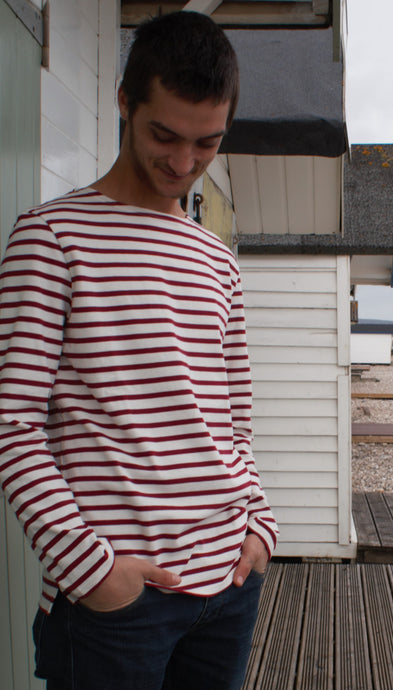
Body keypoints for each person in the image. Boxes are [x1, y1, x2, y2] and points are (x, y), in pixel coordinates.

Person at [0, 11, 278, 690]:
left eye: (207, 144)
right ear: (124, 103)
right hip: (118, 601)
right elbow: (13, 425)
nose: (184, 163)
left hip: (229, 583)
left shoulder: (219, 261)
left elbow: (233, 421)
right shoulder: (51, 237)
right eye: (164, 135)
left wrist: (261, 523)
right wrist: (92, 572)